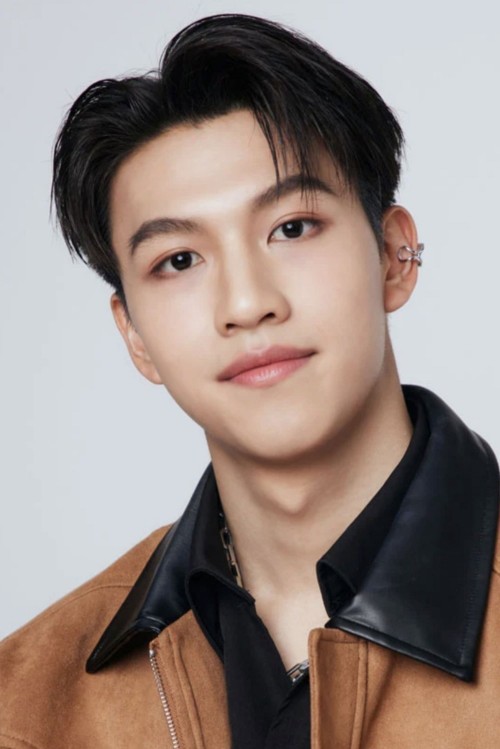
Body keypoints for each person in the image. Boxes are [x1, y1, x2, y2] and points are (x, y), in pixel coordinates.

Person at [1, 12, 499, 749]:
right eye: (178, 260)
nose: (246, 303)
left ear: (395, 255)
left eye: (291, 228)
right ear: (134, 335)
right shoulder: (26, 703)